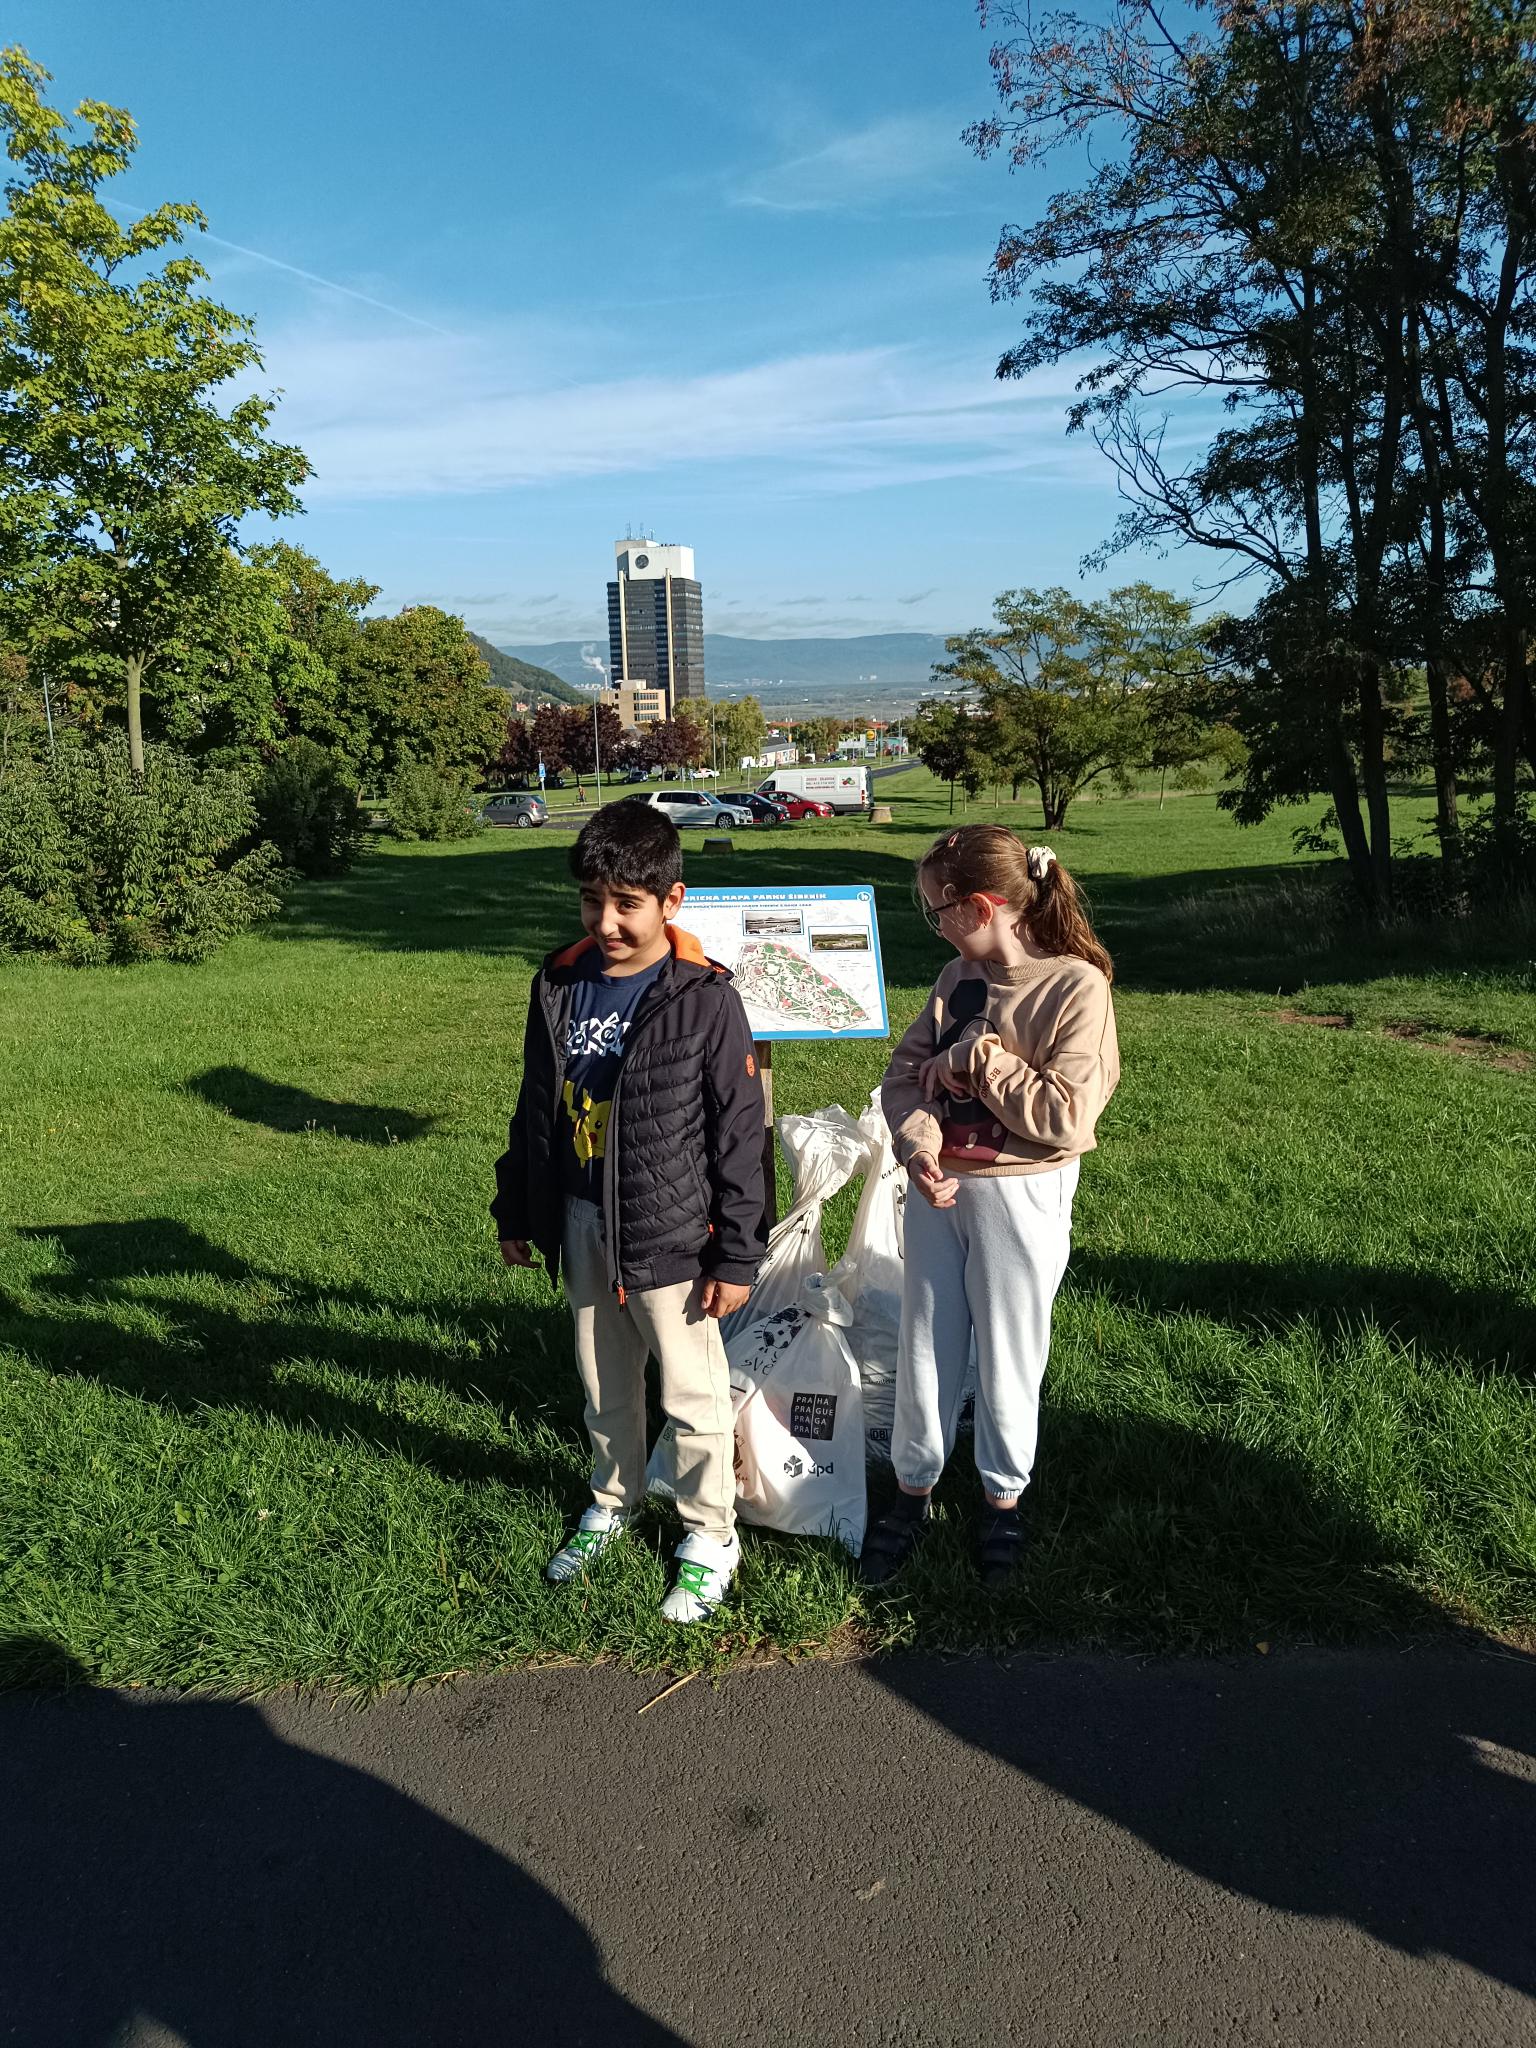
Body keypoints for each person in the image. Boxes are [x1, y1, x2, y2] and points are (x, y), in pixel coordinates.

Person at [492, 801, 766, 1623]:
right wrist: (517, 1205)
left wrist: (737, 1254)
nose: (606, 922)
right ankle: (613, 1501)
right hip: (581, 1220)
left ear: (671, 901)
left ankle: (709, 1535)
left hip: (671, 1233)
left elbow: (740, 1134)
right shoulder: (558, 982)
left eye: (626, 904)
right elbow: (535, 1106)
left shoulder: (704, 999)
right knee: (603, 1382)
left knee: (692, 1394)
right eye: (591, 900)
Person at [866, 824, 1120, 1590]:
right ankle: (913, 1491)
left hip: (1023, 1195)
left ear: (981, 907)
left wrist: (979, 1058)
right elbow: (904, 1079)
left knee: (1011, 1352)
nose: (937, 925)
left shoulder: (1076, 988)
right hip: (939, 1192)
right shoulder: (956, 978)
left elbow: (1066, 1116)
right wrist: (919, 1148)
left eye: (939, 910)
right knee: (925, 1343)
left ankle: (1002, 1499)